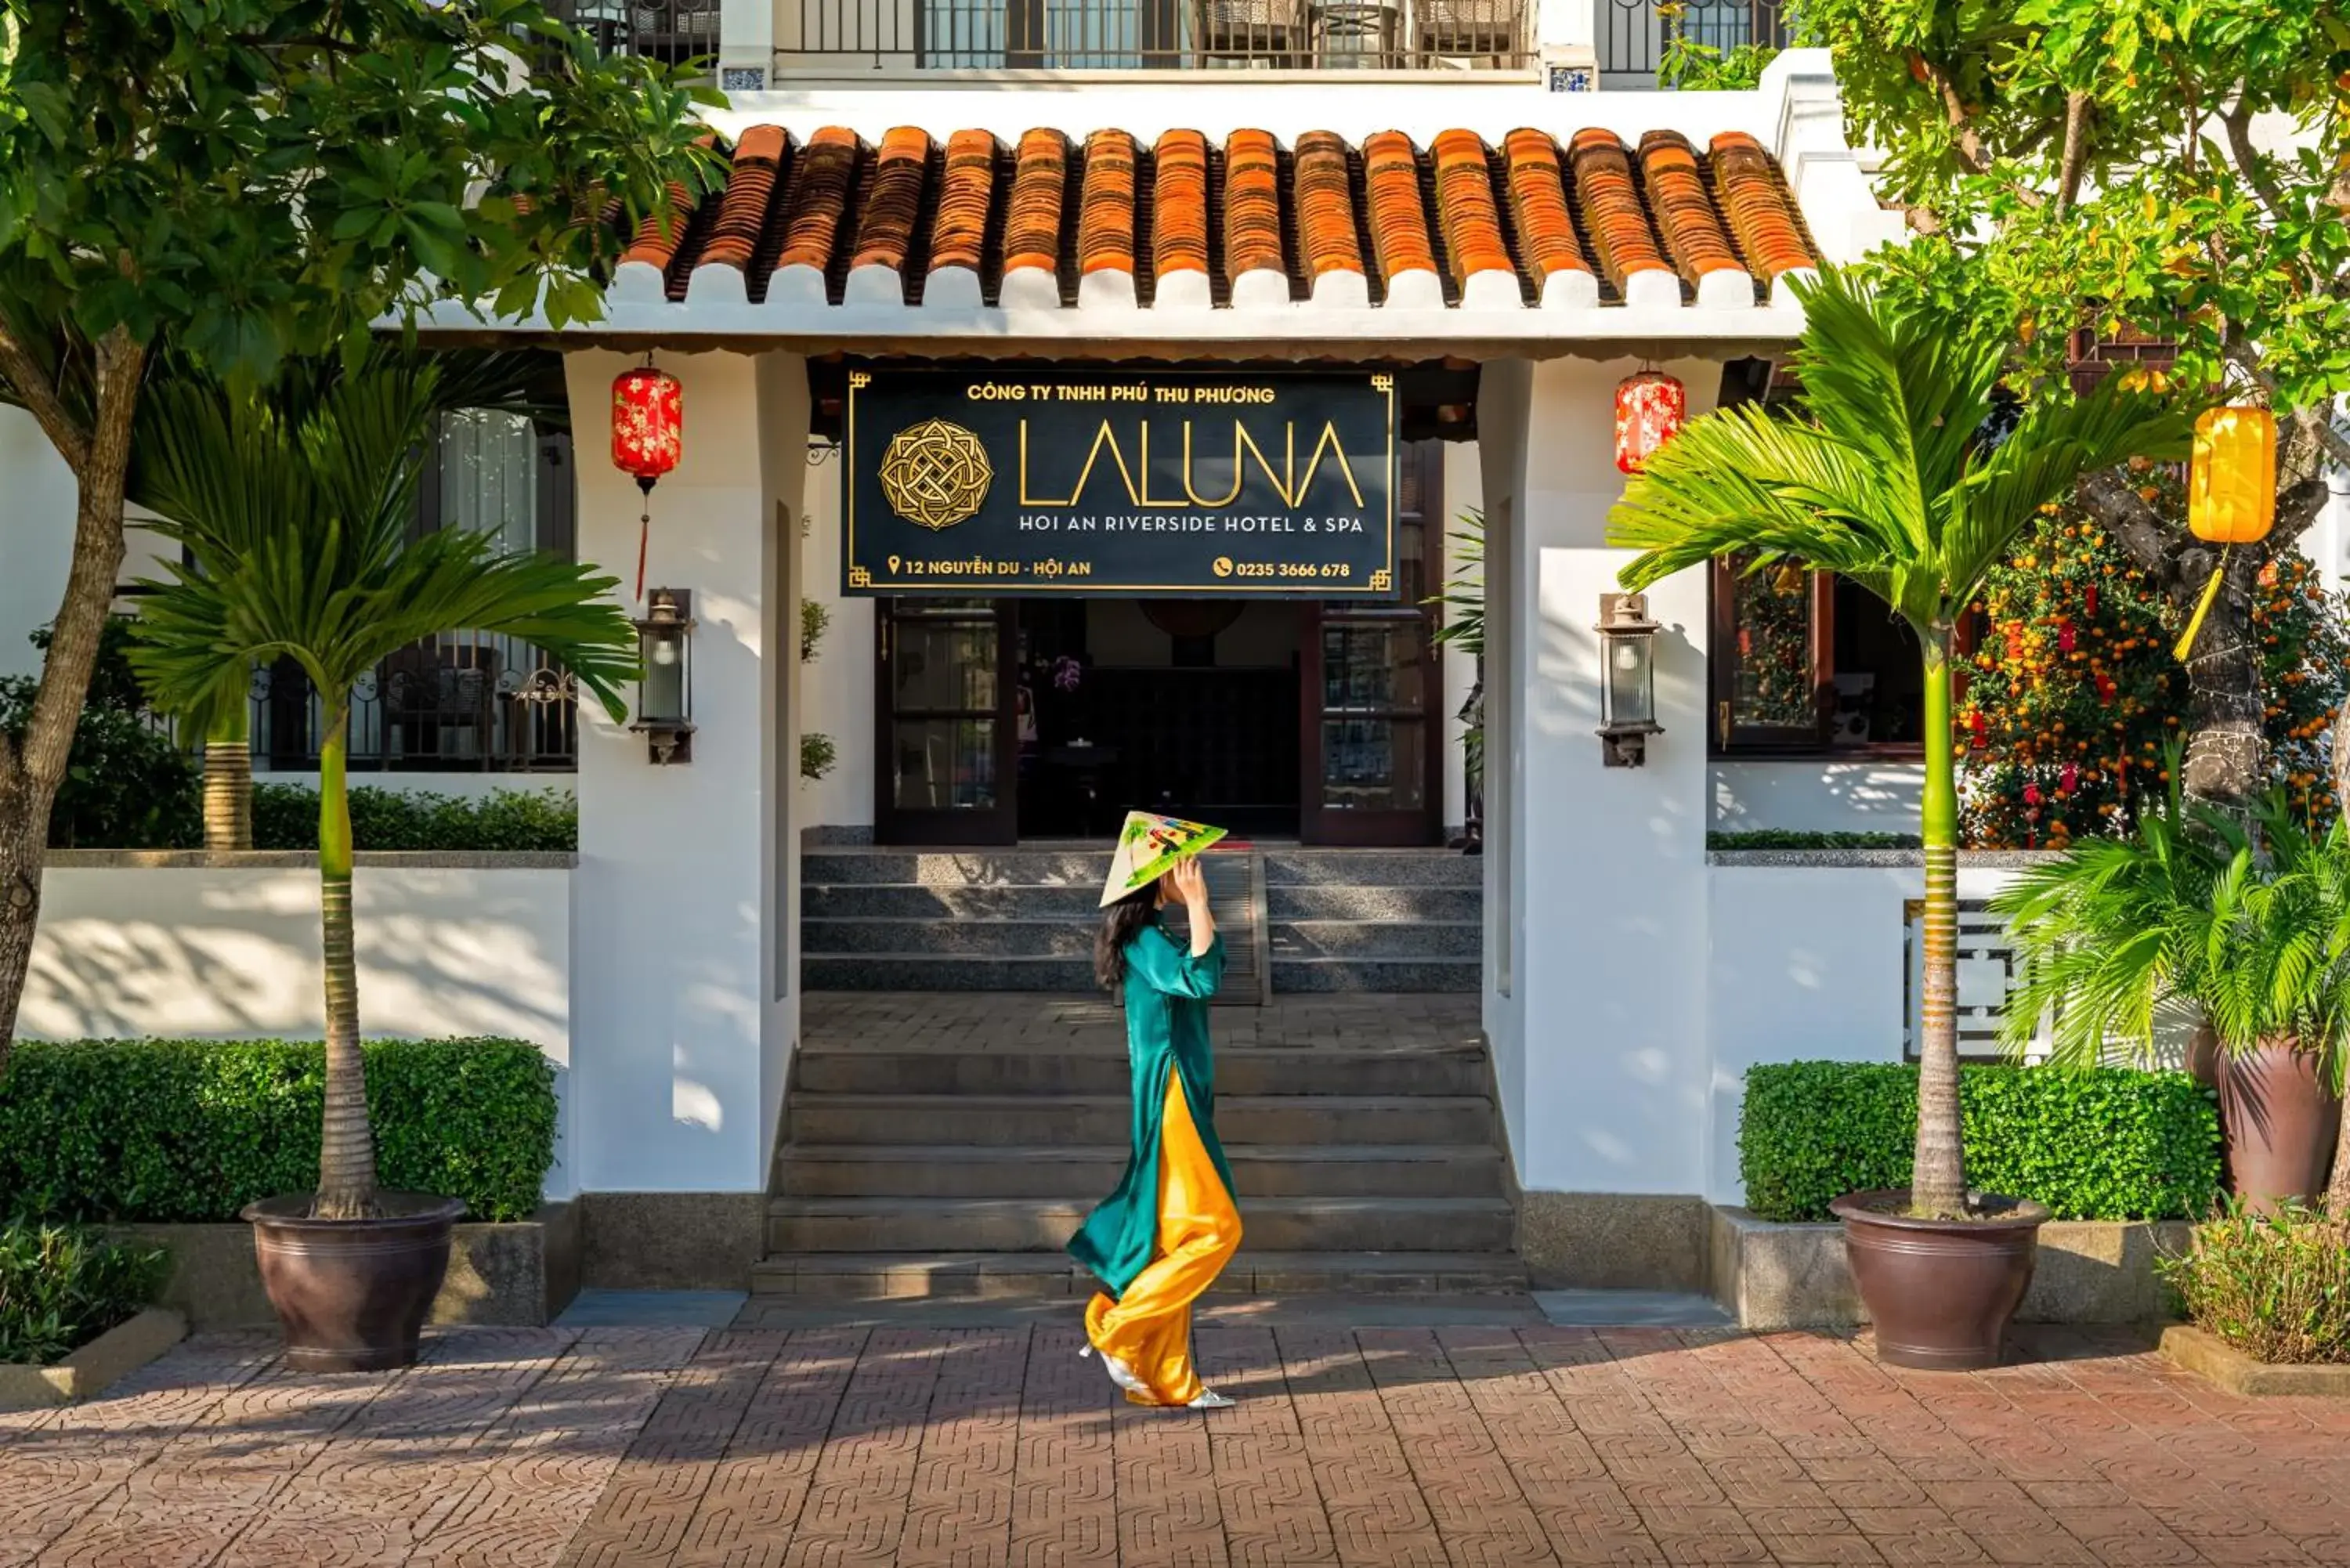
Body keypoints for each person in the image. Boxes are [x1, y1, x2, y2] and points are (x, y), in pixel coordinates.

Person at [1070, 833, 1242, 1410]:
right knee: (1217, 1230)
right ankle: (1119, 1327)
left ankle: (1171, 1379)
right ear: (1156, 878)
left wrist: (1198, 907)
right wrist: (1197, 903)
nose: (1191, 870)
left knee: (1176, 1240)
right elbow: (1202, 979)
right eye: (1180, 863)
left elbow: (1210, 964)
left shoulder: (1155, 934)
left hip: (1184, 1087)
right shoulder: (1145, 938)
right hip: (1171, 1092)